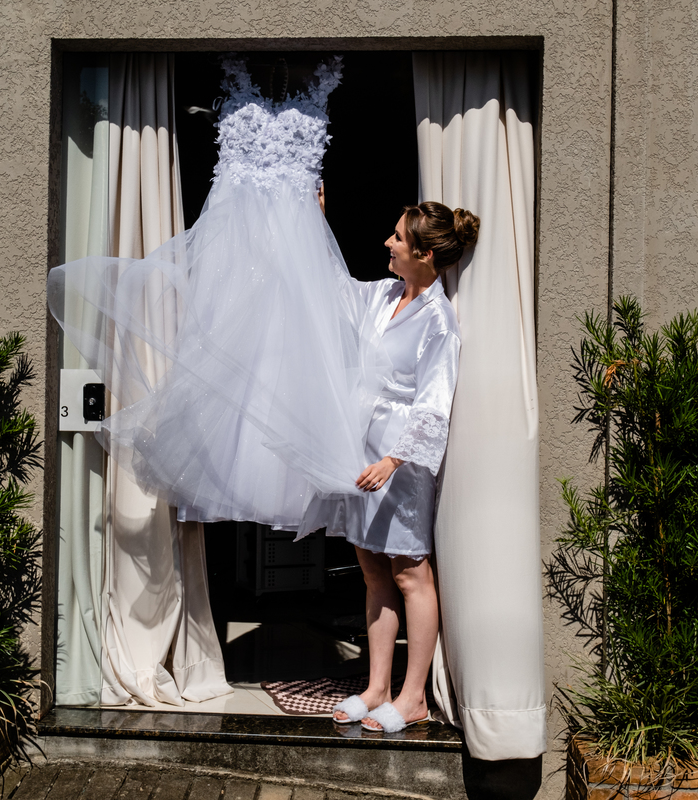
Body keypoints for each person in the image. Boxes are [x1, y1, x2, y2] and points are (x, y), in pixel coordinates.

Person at [48, 55, 386, 528]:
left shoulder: (307, 85)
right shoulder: (245, 78)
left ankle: (278, 480)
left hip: (296, 245)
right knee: (229, 357)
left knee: (285, 360)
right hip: (235, 247)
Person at [324, 201, 478, 734]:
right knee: (371, 569)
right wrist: (313, 221)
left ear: (424, 253)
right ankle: (377, 686)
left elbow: (435, 401)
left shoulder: (439, 320)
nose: (387, 244)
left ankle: (413, 696)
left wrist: (394, 459)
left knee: (410, 573)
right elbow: (334, 289)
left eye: (396, 238)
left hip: (402, 460)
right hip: (362, 447)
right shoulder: (385, 295)